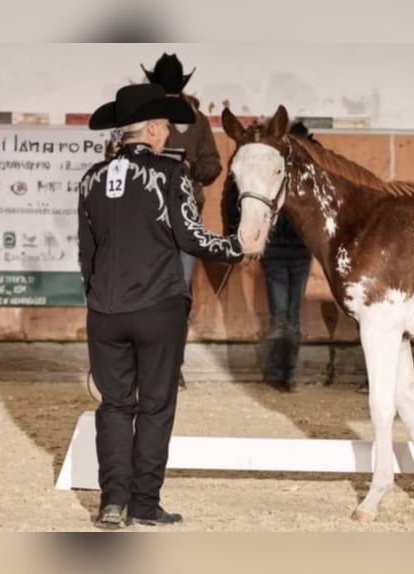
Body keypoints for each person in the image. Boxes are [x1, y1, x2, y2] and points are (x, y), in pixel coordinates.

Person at [79, 83, 243, 529]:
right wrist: (235, 246)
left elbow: (87, 256)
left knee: (114, 406)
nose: (170, 134)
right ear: (150, 128)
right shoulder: (172, 176)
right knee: (155, 407)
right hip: (157, 306)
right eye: (166, 126)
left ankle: (112, 502)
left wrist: (97, 301)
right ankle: (144, 505)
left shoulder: (91, 178)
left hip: (105, 310)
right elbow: (190, 237)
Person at [142, 53, 223, 388]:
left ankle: (171, 365)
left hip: (180, 214)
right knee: (158, 292)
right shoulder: (145, 117)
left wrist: (190, 168)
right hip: (151, 215)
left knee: (176, 294)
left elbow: (213, 164)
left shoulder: (197, 120)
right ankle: (155, 364)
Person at [223, 124, 311, 392]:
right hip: (283, 253)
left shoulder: (290, 177)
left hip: (292, 253)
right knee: (284, 316)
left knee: (287, 316)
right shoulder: (274, 177)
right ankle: (279, 373)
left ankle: (284, 372)